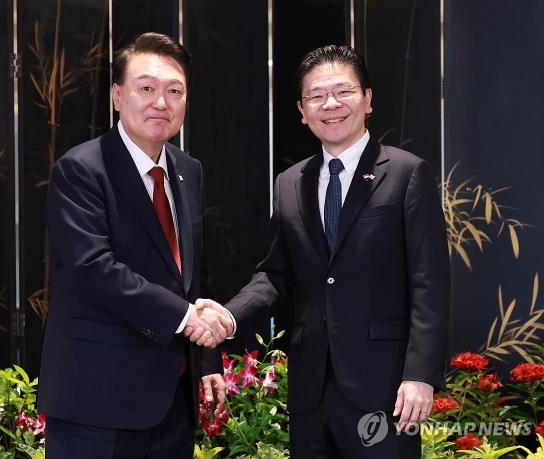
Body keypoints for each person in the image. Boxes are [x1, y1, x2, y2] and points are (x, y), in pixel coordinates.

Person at [200, 44, 450, 458]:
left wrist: (420, 375)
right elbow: (274, 276)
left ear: (368, 99)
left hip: (385, 389)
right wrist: (228, 315)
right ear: (302, 109)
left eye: (343, 92)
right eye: (316, 96)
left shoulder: (407, 173)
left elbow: (430, 282)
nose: (330, 104)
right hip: (310, 390)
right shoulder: (289, 183)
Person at [37, 32, 233, 458]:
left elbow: (194, 274)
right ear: (117, 95)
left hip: (171, 404)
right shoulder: (80, 170)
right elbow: (94, 268)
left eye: (174, 91)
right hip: (96, 403)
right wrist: (186, 318)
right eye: (146, 88)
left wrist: (207, 360)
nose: (160, 102)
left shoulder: (188, 170)